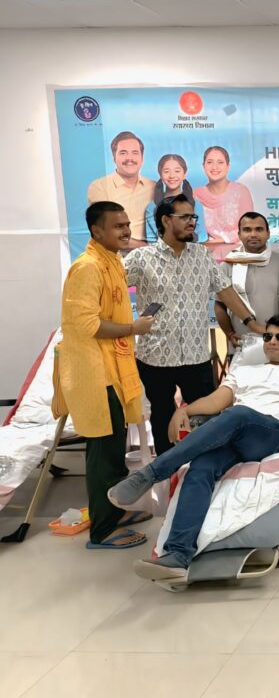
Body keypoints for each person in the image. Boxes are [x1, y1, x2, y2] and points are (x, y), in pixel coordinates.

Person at [107, 314, 279, 580]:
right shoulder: (245, 371)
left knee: (238, 414)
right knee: (200, 467)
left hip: (273, 433)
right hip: (236, 433)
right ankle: (178, 555)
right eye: (267, 336)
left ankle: (151, 474)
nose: (272, 342)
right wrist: (185, 410)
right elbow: (215, 401)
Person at [125, 195, 264, 456]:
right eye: (185, 217)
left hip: (196, 355)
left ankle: (205, 466)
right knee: (162, 416)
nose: (192, 222)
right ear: (166, 220)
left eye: (193, 217)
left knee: (207, 418)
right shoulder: (141, 258)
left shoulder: (202, 255)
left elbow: (225, 291)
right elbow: (112, 289)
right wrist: (126, 327)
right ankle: (167, 468)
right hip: (155, 356)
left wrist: (251, 322)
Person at [58, 202, 155, 550]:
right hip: (96, 375)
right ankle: (102, 530)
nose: (126, 231)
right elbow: (87, 324)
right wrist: (132, 328)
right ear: (96, 231)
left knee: (115, 448)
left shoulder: (112, 260)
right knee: (103, 453)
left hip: (113, 370)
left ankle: (114, 512)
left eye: (127, 224)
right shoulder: (86, 267)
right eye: (117, 226)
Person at [216, 212, 279, 356]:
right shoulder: (228, 265)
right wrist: (230, 333)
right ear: (239, 235)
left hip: (278, 344)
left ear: (268, 234)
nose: (253, 234)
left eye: (259, 229)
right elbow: (220, 305)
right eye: (247, 230)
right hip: (242, 344)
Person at [87, 131, 155, 248]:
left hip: (152, 255)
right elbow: (107, 233)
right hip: (114, 254)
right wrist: (148, 248)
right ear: (114, 157)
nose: (129, 158)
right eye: (123, 153)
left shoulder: (153, 186)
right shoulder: (99, 186)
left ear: (142, 158)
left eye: (135, 153)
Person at [193, 146, 254, 260]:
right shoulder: (195, 195)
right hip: (204, 254)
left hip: (237, 254)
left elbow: (247, 228)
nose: (214, 167)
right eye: (209, 162)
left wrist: (218, 242)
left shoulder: (241, 191)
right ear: (203, 166)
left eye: (220, 162)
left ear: (228, 166)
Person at [144, 154, 208, 244]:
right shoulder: (152, 207)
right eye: (166, 171)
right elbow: (151, 240)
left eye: (177, 171)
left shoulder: (196, 204)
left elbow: (202, 237)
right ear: (160, 175)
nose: (172, 175)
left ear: (184, 174)